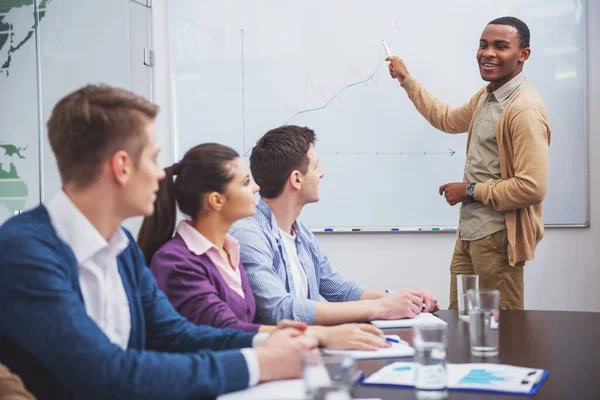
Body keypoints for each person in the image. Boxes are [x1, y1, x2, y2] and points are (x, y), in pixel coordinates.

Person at [0, 85, 318, 400]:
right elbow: (107, 373)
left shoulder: (119, 244)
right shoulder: (25, 251)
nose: (161, 174)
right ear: (122, 167)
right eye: (153, 159)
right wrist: (258, 363)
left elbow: (177, 335)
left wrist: (272, 341)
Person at [138, 143, 391, 351]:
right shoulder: (177, 262)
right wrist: (320, 335)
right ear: (216, 201)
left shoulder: (230, 250)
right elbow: (226, 328)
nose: (256, 188)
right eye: (246, 182)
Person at [385, 16, 551, 310]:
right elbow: (447, 119)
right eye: (483, 45)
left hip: (498, 238)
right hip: (471, 233)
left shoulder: (523, 109)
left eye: (501, 46)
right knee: (460, 326)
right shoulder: (488, 96)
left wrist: (470, 191)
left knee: (501, 334)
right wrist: (407, 80)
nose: (488, 53)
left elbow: (532, 187)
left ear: (523, 55)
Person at [230, 125, 439, 326]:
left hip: (307, 349)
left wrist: (404, 300)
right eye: (315, 166)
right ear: (296, 179)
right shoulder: (249, 234)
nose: (321, 173)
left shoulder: (302, 235)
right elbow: (280, 310)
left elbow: (342, 290)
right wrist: (381, 307)